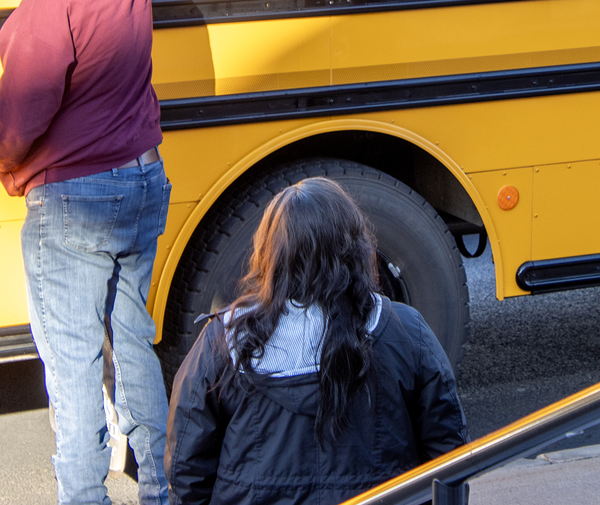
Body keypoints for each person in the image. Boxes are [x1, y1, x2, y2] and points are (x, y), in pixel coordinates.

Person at [0, 0, 171, 505]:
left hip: (74, 202)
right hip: (143, 181)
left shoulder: (46, 9)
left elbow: (18, 122)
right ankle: (161, 491)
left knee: (71, 367)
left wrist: (7, 169)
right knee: (134, 345)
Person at [165, 177, 468, 505]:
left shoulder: (223, 340)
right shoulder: (405, 330)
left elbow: (186, 468)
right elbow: (448, 454)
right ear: (356, 248)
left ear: (270, 252)